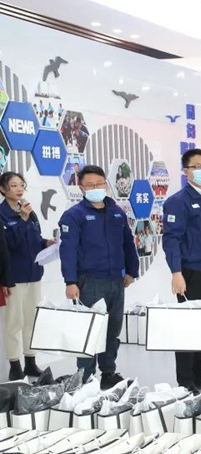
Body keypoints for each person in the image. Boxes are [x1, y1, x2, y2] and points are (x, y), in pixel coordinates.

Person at [59, 165, 139, 389]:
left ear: (106, 184)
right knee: (90, 330)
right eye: (90, 185)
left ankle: (108, 373)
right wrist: (70, 281)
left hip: (116, 281)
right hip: (89, 281)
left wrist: (131, 271)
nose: (96, 188)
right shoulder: (74, 215)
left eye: (99, 184)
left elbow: (128, 243)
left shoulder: (117, 212)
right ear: (81, 188)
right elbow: (68, 250)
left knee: (112, 331)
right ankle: (85, 377)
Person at [162, 149, 201, 395]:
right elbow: (171, 240)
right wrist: (176, 272)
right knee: (188, 327)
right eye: (197, 167)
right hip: (190, 273)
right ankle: (186, 379)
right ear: (185, 171)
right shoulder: (178, 202)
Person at [0, 172, 56, 380]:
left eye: (21, 184)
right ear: (3, 189)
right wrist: (22, 219)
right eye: (13, 185)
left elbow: (34, 238)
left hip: (34, 274)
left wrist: (46, 243)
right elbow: (8, 245)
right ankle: (15, 365)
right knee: (13, 322)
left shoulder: (27, 210)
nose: (19, 189)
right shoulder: (3, 214)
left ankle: (30, 362)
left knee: (31, 320)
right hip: (13, 278)